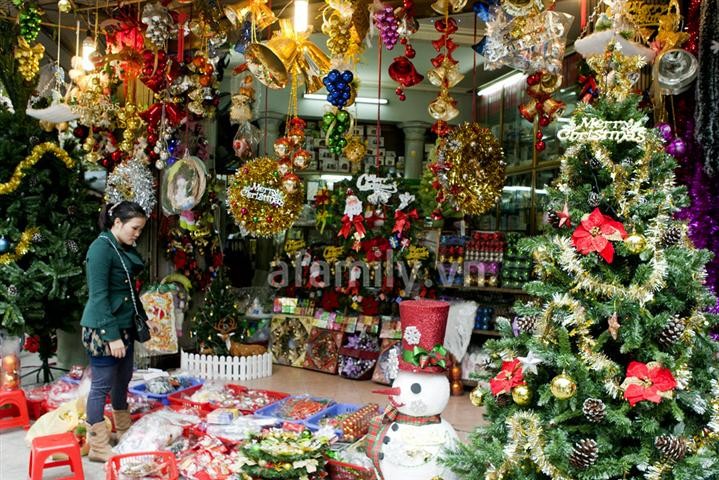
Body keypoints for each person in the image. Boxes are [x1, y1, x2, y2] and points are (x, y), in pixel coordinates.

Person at [80, 201, 148, 462]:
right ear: (117, 223)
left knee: (123, 380)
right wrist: (112, 336)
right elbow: (99, 297)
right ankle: (98, 446)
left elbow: (128, 291)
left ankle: (123, 430)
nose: (137, 234)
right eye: (134, 228)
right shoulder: (100, 249)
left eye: (141, 229)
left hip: (124, 326)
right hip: (104, 329)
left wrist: (141, 318)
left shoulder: (120, 247)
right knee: (102, 385)